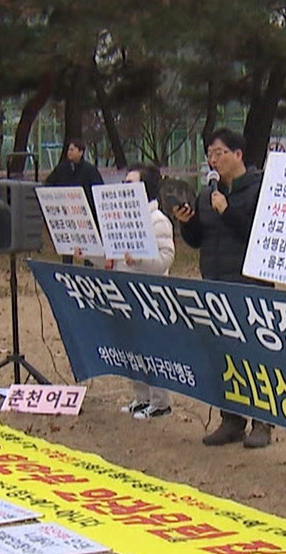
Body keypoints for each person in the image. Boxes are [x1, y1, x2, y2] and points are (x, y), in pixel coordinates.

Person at [172, 127, 274, 448]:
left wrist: (227, 211)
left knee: (254, 355)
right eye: (210, 155)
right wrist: (187, 221)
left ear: (238, 155)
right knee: (222, 353)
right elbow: (197, 240)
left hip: (249, 285)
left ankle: (263, 422)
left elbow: (258, 235)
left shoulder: (259, 189)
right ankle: (231, 420)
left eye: (219, 153)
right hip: (214, 283)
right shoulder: (207, 195)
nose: (214, 160)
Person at [116, 165, 176, 418]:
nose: (124, 188)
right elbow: (114, 257)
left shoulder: (158, 221)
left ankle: (161, 403)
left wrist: (138, 261)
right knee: (131, 348)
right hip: (126, 293)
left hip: (151, 297)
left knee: (153, 350)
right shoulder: (123, 218)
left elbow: (165, 260)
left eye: (130, 184)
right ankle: (141, 398)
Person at [45, 139, 105, 265]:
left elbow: (98, 190)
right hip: (67, 215)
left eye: (72, 150)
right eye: (68, 150)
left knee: (88, 248)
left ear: (81, 152)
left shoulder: (90, 170)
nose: (69, 153)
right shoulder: (62, 168)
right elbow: (48, 184)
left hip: (85, 215)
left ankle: (88, 271)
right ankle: (67, 270)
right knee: (68, 246)